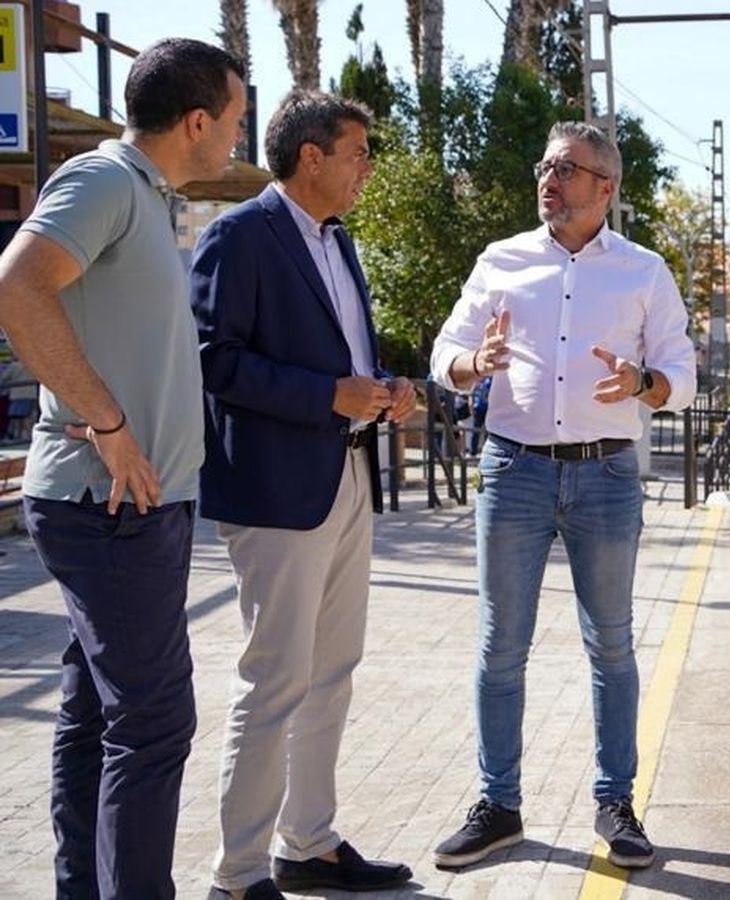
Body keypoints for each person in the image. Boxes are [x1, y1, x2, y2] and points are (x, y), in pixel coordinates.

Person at [0, 38, 245, 899]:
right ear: (197, 120)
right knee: (153, 721)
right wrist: (105, 421)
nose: (236, 139)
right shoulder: (104, 180)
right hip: (105, 506)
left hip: (136, 507)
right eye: (235, 120)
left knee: (99, 709)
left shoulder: (145, 195)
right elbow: (17, 285)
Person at [428, 121, 695, 871]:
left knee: (611, 646)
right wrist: (468, 364)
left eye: (568, 169)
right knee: (499, 645)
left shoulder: (643, 271)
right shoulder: (500, 261)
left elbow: (682, 370)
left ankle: (617, 805)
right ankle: (499, 806)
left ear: (605, 188)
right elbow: (445, 350)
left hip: (606, 477)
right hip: (512, 472)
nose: (550, 179)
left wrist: (644, 383)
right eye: (545, 165)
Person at [189, 90, 416, 900]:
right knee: (276, 679)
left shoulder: (338, 242)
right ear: (310, 157)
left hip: (348, 477)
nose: (367, 170)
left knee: (333, 671)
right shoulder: (238, 237)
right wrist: (329, 396)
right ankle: (239, 873)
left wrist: (384, 389)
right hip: (279, 493)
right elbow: (215, 362)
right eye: (357, 153)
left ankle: (308, 844)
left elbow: (343, 355)